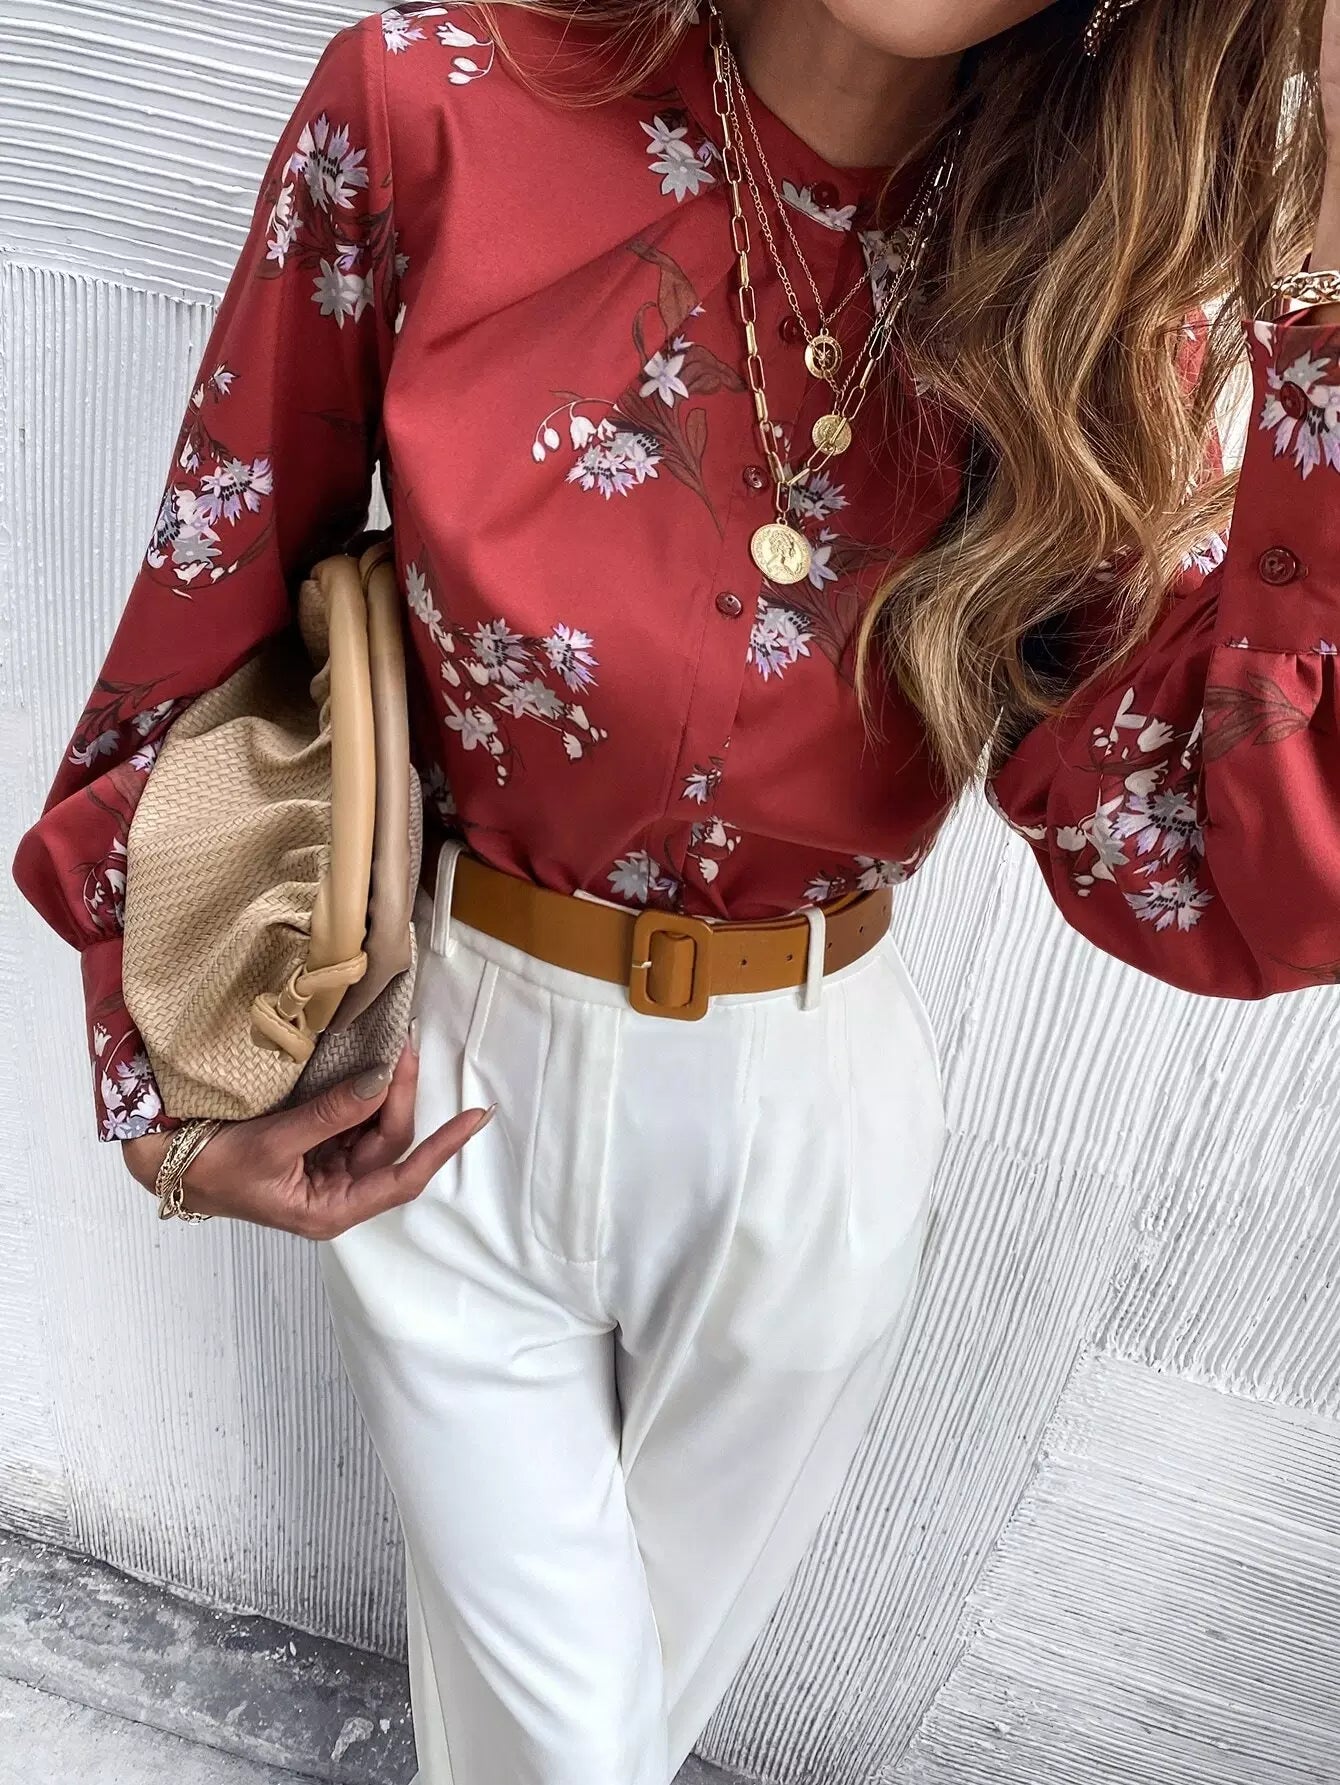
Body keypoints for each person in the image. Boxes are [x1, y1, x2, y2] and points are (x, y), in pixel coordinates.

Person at [11, 0, 1339, 1778]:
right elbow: (220, 575)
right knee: (572, 1751)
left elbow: (1217, 873)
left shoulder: (1087, 298)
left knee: (582, 1735)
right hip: (446, 1076)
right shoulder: (434, 102)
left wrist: (1326, 311)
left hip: (811, 1125)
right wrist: (161, 1084)